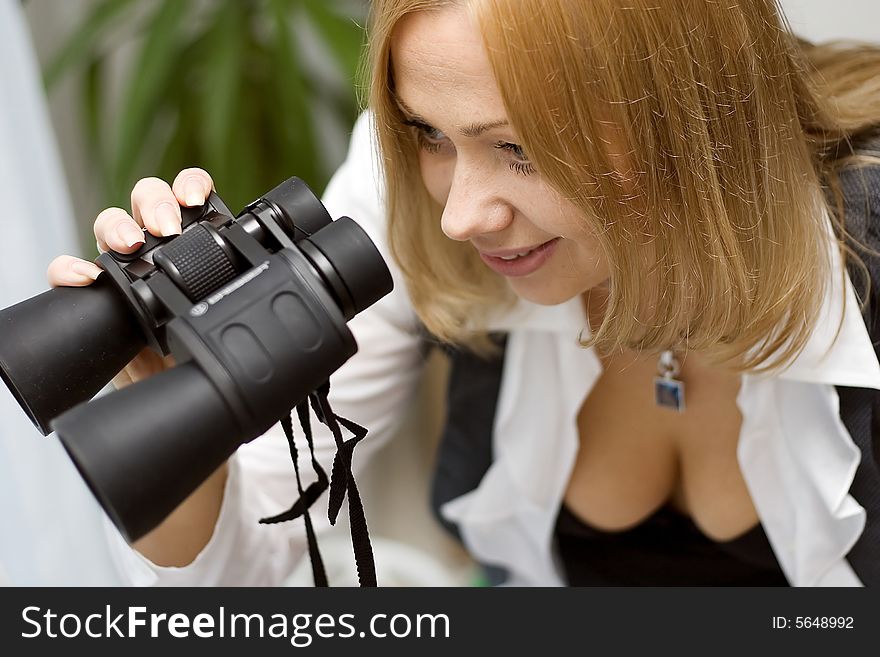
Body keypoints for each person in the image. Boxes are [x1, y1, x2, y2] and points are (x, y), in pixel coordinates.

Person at [47, 0, 880, 586]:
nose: (460, 217)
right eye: (430, 136)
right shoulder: (412, 188)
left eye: (519, 148)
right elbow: (250, 564)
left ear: (686, 121)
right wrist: (186, 404)